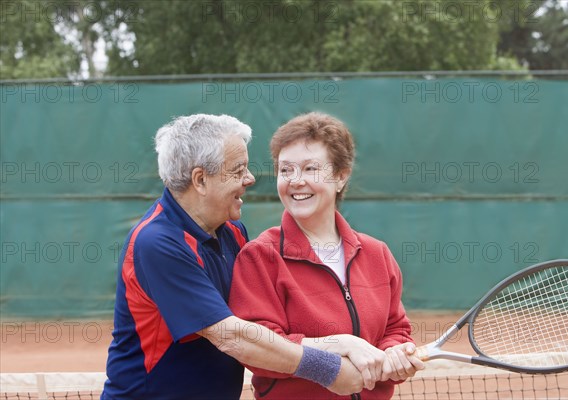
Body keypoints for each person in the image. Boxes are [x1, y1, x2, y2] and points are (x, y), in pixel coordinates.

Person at [101, 114, 370, 400]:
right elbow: (232, 336)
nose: (250, 179)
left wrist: (338, 343)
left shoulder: (231, 230)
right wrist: (328, 368)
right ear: (200, 180)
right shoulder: (156, 243)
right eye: (239, 169)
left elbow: (260, 326)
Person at [229, 112, 425, 399]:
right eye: (285, 170)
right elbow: (259, 346)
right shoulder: (260, 256)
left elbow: (395, 328)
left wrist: (395, 352)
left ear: (341, 177)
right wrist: (338, 345)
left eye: (310, 169)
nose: (295, 181)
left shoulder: (377, 254)